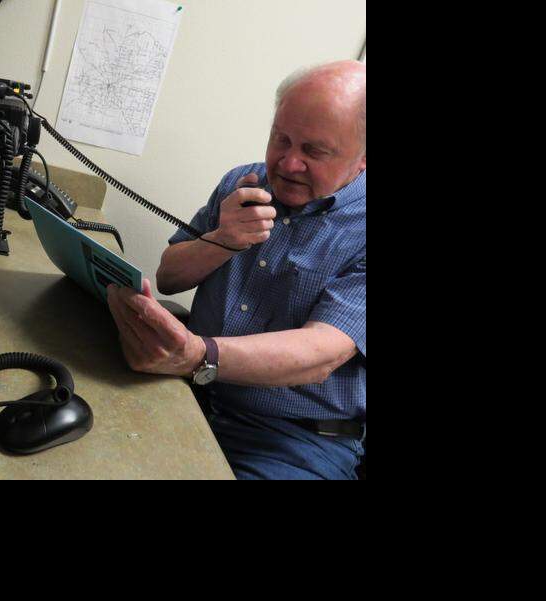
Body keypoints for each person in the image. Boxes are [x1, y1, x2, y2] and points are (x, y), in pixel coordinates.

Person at [105, 60, 366, 480]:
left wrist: (197, 355)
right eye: (281, 138)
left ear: (362, 159)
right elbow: (170, 275)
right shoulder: (241, 183)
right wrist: (223, 240)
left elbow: (320, 353)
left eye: (314, 151)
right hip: (193, 394)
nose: (288, 162)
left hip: (295, 441)